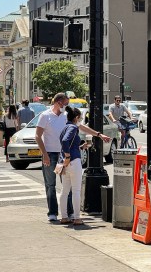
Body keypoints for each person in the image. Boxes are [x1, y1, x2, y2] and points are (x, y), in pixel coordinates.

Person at [35, 92, 111, 222]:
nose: (67, 106)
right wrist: (45, 155)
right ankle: (53, 212)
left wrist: (98, 134)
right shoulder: (45, 116)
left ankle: (69, 213)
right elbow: (37, 136)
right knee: (50, 185)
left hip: (64, 155)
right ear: (58, 102)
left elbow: (82, 127)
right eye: (66, 103)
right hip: (52, 154)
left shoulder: (66, 116)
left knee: (67, 187)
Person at [59, 106, 88, 225]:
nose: (80, 119)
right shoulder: (73, 127)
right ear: (76, 118)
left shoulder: (65, 127)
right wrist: (68, 155)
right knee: (76, 190)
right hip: (73, 161)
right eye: (80, 118)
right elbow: (66, 141)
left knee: (64, 190)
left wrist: (80, 147)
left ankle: (64, 216)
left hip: (65, 163)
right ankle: (77, 217)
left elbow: (66, 142)